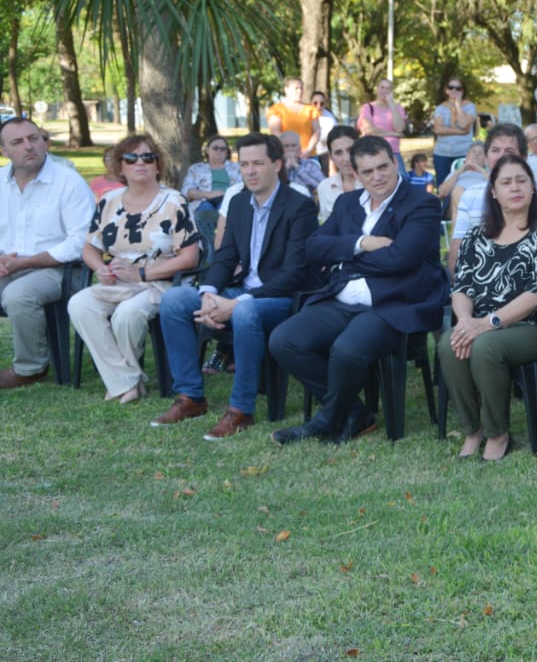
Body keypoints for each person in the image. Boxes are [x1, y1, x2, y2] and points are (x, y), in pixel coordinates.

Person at [270, 136, 450, 446]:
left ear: (395, 163)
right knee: (284, 340)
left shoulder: (422, 203)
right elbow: (313, 248)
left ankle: (325, 420)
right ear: (355, 173)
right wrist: (361, 243)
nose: (377, 176)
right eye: (368, 171)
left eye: (383, 167)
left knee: (347, 350)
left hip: (393, 304)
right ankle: (355, 412)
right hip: (341, 300)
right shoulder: (347, 203)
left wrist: (344, 259)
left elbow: (401, 259)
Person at [151, 133, 318, 441]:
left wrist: (237, 303)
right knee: (175, 299)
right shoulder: (239, 202)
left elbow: (294, 274)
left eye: (258, 164)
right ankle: (190, 397)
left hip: (280, 298)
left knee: (244, 312)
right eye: (244, 165)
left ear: (276, 164)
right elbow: (226, 256)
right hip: (240, 291)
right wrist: (209, 293)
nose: (250, 171)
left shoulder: (300, 206)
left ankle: (241, 410)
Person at [437, 154, 537, 461]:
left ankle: (498, 434)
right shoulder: (477, 236)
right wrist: (466, 320)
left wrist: (488, 323)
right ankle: (473, 430)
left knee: (486, 347)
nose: (515, 188)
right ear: (494, 192)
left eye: (522, 180)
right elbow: (462, 286)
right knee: (448, 343)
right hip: (484, 323)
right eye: (506, 182)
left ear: (533, 188)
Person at [68, 137, 200, 404]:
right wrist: (101, 268)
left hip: (161, 282)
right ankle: (127, 380)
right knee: (79, 304)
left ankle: (123, 384)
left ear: (158, 166)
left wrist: (141, 274)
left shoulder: (174, 201)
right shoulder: (109, 201)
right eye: (131, 158)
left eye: (148, 157)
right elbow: (89, 249)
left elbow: (190, 257)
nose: (140, 163)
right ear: (121, 167)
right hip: (117, 282)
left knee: (127, 315)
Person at [0, 116, 95, 388]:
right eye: (18, 142)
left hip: (60, 269)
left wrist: (25, 262)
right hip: (8, 265)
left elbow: (81, 241)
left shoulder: (69, 182)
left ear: (44, 142)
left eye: (34, 138)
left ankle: (30, 368)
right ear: (4, 151)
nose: (29, 146)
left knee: (19, 295)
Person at [447, 123, 537, 274]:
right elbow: (458, 248)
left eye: (509, 151)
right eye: (495, 150)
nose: (501, 156)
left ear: (524, 158)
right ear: (486, 158)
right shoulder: (470, 196)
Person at [431, 77, 477, 197]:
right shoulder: (440, 108)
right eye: (451, 87)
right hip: (442, 154)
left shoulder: (470, 107)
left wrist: (457, 105)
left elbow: (464, 124)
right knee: (443, 188)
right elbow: (438, 129)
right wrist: (461, 132)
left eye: (458, 88)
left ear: (463, 91)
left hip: (463, 153)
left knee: (462, 187)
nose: (454, 91)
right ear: (446, 90)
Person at [181, 135, 242, 213]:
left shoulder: (237, 167)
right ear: (207, 150)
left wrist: (226, 195)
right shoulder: (196, 169)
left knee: (224, 206)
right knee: (206, 208)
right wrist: (208, 194)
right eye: (215, 148)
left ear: (227, 152)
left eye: (223, 149)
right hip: (202, 202)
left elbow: (244, 187)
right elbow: (186, 192)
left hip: (228, 201)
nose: (219, 151)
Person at [358, 78, 408, 174]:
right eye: (382, 87)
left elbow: (399, 128)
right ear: (377, 89)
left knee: (401, 180)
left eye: (388, 88)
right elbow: (369, 130)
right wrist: (393, 134)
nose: (384, 91)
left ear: (392, 91)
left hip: (393, 152)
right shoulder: (368, 107)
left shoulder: (398, 108)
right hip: (372, 152)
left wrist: (392, 105)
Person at [316, 126, 361, 223]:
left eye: (351, 150)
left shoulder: (375, 182)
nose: (346, 158)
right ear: (331, 156)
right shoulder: (325, 187)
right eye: (338, 153)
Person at [267, 78, 321, 157]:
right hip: (285, 155)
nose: (299, 91)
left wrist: (309, 149)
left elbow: (317, 131)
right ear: (286, 90)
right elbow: (275, 132)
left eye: (301, 88)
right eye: (296, 88)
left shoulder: (311, 109)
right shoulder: (277, 109)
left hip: (308, 155)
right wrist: (289, 149)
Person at [435, 141, 487, 222]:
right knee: (458, 190)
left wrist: (480, 169)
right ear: (467, 156)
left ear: (485, 159)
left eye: (480, 153)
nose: (476, 154)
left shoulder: (487, 174)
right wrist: (461, 170)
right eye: (473, 152)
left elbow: (495, 188)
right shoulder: (456, 173)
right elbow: (442, 192)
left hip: (479, 205)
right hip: (454, 206)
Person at [280, 130, 325, 195]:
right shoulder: (275, 166)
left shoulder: (309, 165)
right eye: (286, 146)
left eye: (293, 145)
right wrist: (285, 168)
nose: (290, 149)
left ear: (299, 148)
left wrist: (298, 167)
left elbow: (322, 185)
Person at [312, 90, 339, 176]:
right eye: (315, 103)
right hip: (310, 154)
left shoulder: (330, 117)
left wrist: (332, 163)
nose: (318, 106)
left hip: (325, 154)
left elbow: (334, 138)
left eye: (322, 103)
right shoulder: (306, 115)